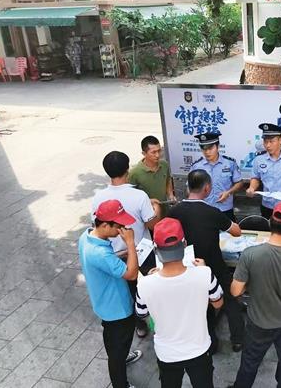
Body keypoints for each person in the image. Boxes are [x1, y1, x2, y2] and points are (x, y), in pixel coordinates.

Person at [229, 202, 281, 388]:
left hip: (258, 322)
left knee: (249, 362)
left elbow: (235, 290)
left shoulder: (250, 254)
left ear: (270, 223)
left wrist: (253, 283)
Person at [135, 218, 224, 388]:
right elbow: (218, 303)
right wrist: (203, 270)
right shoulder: (205, 274)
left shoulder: (145, 284)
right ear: (184, 244)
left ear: (156, 249)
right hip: (199, 349)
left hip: (167, 353)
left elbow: (141, 313)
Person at [167, 169, 244, 353]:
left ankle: (210, 343)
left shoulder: (174, 211)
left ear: (188, 187)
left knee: (201, 305)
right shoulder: (212, 212)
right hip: (214, 264)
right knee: (231, 298)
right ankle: (238, 339)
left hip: (187, 266)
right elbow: (236, 231)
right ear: (207, 188)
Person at [92, 151, 161, 339]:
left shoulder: (98, 198)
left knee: (130, 290)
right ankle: (158, 319)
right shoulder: (139, 196)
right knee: (152, 284)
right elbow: (152, 224)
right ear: (127, 170)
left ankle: (140, 324)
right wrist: (156, 208)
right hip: (143, 251)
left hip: (116, 254)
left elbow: (96, 226)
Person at [79, 200, 142, 388]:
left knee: (116, 343)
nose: (123, 229)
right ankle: (120, 382)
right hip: (117, 309)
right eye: (119, 226)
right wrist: (130, 244)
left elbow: (106, 262)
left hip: (104, 302)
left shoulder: (86, 236)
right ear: (105, 225)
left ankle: (121, 357)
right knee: (116, 350)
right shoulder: (99, 253)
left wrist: (121, 256)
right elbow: (131, 274)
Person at [190, 132, 244, 222]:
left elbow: (239, 182)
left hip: (225, 209)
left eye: (210, 148)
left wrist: (228, 192)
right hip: (204, 209)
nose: (207, 152)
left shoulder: (230, 163)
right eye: (203, 149)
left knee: (228, 231)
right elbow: (190, 188)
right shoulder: (196, 166)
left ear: (218, 147)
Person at [129, 135, 176, 216]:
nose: (157, 155)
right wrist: (148, 201)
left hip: (165, 210)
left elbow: (168, 180)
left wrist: (170, 195)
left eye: (159, 151)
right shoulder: (135, 173)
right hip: (148, 215)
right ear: (144, 153)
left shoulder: (164, 165)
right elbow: (131, 196)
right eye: (153, 152)